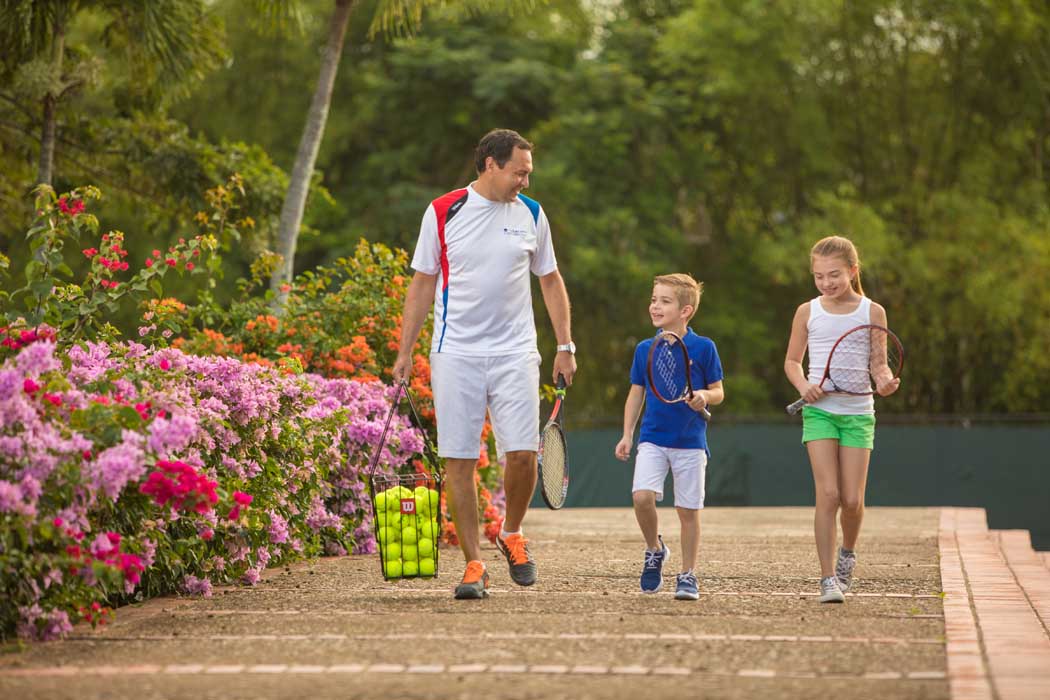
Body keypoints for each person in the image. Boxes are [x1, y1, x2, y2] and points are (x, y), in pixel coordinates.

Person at [392, 128, 576, 600]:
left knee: (521, 454)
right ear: (491, 164)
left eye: (529, 173)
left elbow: (551, 281)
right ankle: (473, 565)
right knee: (458, 460)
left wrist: (565, 345)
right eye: (520, 172)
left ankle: (511, 533)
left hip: (516, 351)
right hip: (456, 353)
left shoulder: (532, 215)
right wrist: (404, 350)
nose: (526, 182)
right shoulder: (443, 210)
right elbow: (421, 284)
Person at [783, 236, 900, 603]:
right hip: (819, 413)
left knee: (852, 499)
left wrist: (884, 383)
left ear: (852, 270)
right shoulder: (807, 311)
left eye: (833, 275)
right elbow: (791, 362)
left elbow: (878, 364)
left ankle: (847, 552)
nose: (826, 283)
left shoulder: (872, 312)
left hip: (858, 414)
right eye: (819, 276)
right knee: (829, 494)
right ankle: (827, 578)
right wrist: (805, 385)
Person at [614, 274, 724, 600]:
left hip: (691, 443)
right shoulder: (644, 349)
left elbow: (719, 392)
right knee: (641, 497)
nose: (655, 306)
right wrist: (627, 434)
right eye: (653, 299)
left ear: (685, 310)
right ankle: (655, 549)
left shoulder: (705, 348)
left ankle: (688, 575)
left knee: (688, 512)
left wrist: (704, 395)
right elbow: (636, 394)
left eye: (664, 301)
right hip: (652, 438)